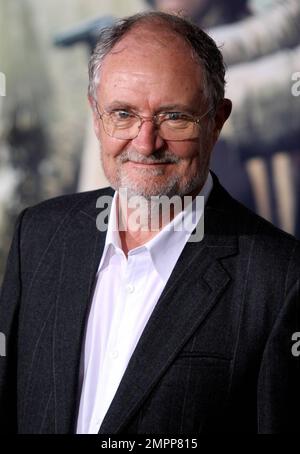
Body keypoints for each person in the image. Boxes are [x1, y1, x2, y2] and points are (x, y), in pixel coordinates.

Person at [0, 11, 299, 434]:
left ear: (217, 121)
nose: (146, 143)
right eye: (122, 114)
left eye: (174, 117)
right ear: (96, 115)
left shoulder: (282, 280)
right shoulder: (40, 236)